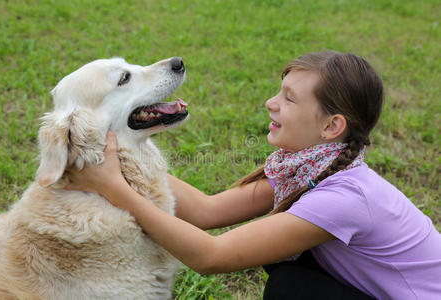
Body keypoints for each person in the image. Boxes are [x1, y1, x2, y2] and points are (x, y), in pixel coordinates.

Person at [66, 51, 441, 299]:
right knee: (287, 266)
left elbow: (211, 256)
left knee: (291, 287)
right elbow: (207, 211)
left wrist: (115, 187)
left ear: (331, 126)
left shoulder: (343, 198)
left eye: (289, 99)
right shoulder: (310, 168)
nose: (270, 103)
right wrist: (123, 152)